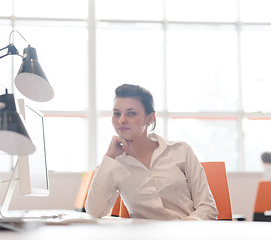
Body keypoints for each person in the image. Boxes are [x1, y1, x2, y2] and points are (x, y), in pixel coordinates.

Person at [85, 84, 218, 220]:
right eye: (116, 114)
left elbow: (208, 207)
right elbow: (94, 212)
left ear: (150, 118)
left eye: (131, 113)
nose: (121, 120)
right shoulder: (114, 164)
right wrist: (109, 156)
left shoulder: (181, 151)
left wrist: (182, 229)